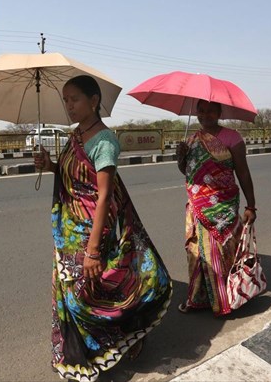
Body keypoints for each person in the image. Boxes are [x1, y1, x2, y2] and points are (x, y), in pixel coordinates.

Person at [33, 75, 172, 382]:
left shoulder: (103, 141)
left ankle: (126, 334)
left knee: (91, 292)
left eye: (75, 99)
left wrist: (94, 249)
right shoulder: (75, 136)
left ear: (94, 101)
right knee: (70, 291)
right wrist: (50, 165)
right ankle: (82, 350)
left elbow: (104, 195)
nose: (69, 106)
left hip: (92, 230)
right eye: (66, 100)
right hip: (70, 230)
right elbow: (71, 176)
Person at [176, 99, 257, 316]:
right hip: (197, 206)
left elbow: (243, 172)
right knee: (196, 251)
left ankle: (225, 299)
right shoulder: (192, 139)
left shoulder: (233, 138)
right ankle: (198, 298)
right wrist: (181, 156)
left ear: (219, 112)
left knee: (219, 253)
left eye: (211, 110)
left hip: (222, 204)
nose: (205, 114)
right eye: (201, 110)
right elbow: (187, 171)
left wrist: (251, 205)